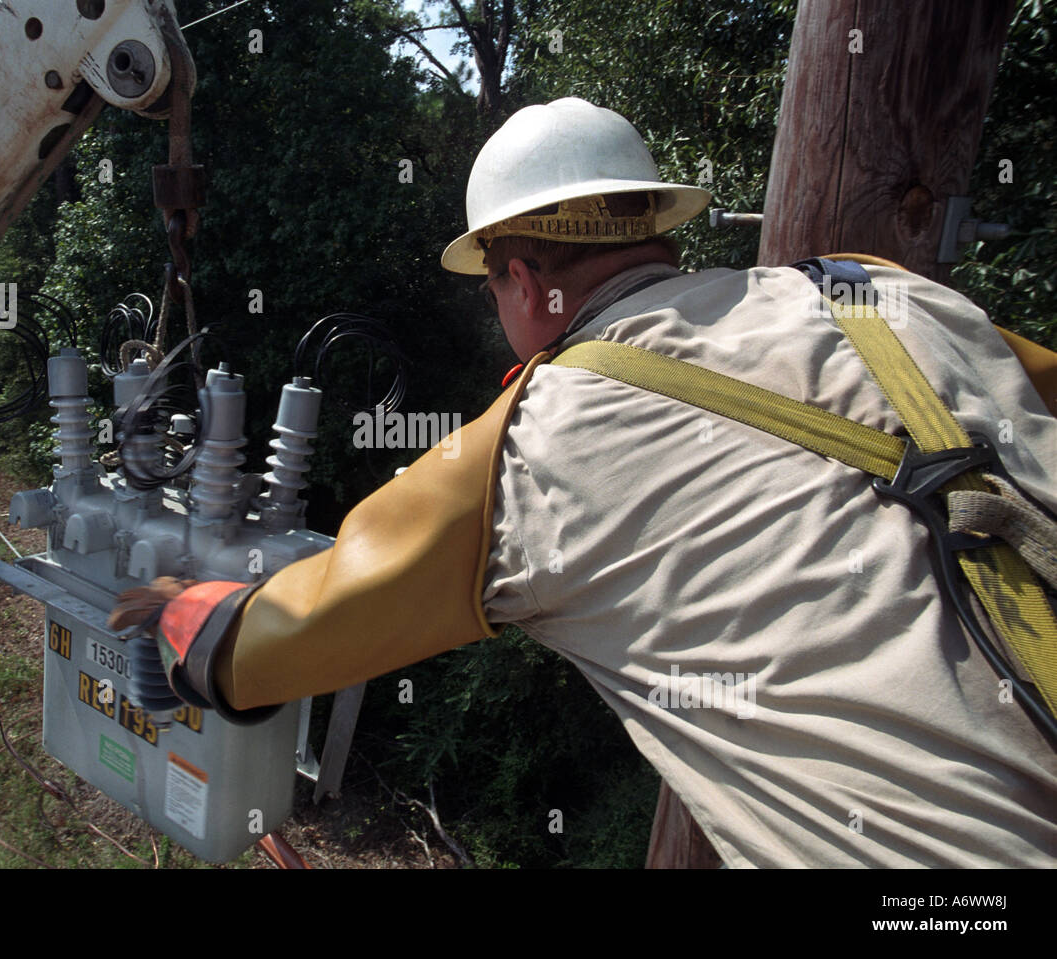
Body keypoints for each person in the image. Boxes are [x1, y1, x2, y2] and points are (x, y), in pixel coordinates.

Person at [111, 97, 1057, 867]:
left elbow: (302, 624)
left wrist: (190, 622)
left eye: (490, 289)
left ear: (521, 279)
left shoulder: (532, 446)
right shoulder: (882, 292)